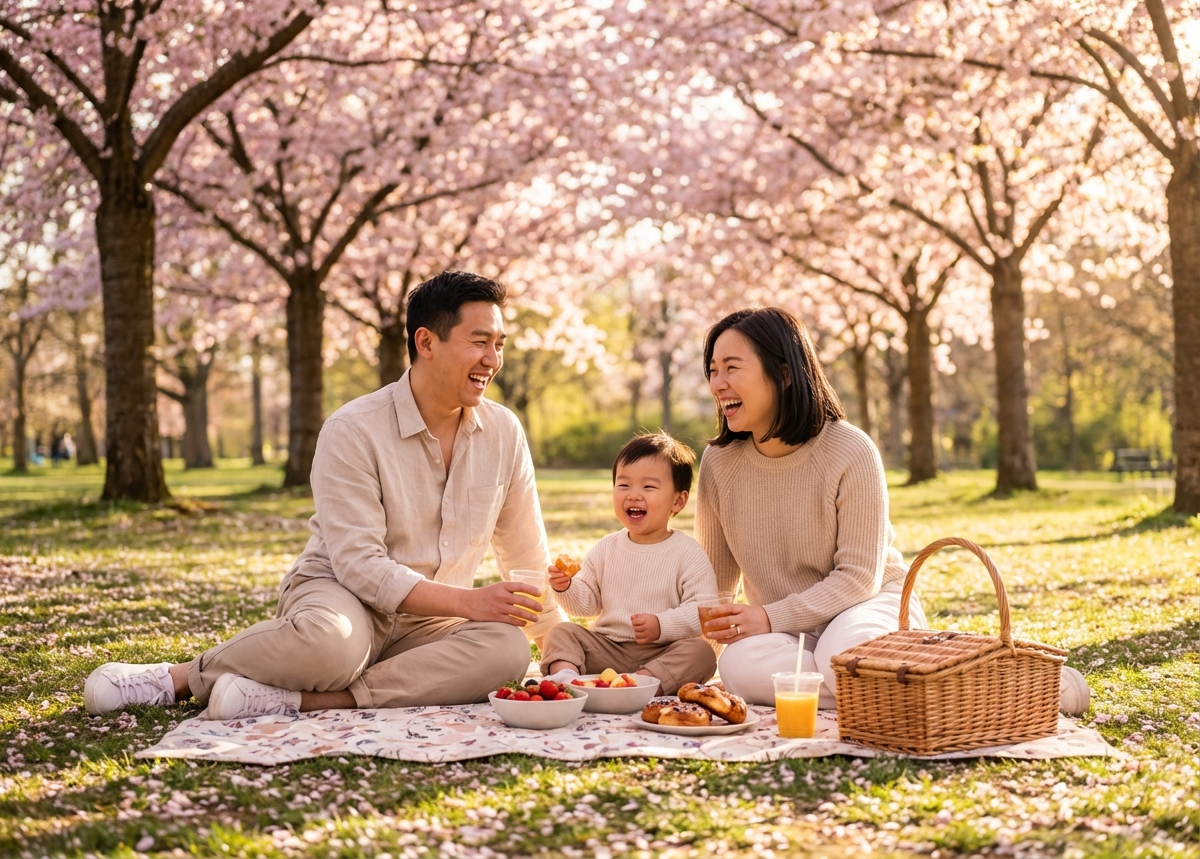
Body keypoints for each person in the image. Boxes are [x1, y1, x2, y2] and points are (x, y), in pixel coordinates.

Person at [85, 270, 559, 719]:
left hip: (431, 620)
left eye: (498, 345)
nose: (493, 360)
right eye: (480, 342)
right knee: (333, 646)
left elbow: (526, 551)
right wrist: (468, 603)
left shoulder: (504, 432)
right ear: (426, 342)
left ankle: (311, 701)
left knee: (508, 649)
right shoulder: (353, 428)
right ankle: (181, 678)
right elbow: (360, 566)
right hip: (342, 597)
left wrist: (560, 655)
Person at [694, 307, 1090, 715]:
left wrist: (769, 617)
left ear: (784, 373)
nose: (717, 384)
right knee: (738, 664)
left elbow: (858, 578)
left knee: (844, 656)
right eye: (712, 370)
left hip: (864, 608)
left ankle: (1023, 689)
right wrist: (690, 652)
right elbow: (716, 585)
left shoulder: (850, 449)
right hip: (784, 630)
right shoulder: (719, 463)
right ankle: (898, 686)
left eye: (731, 367)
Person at [540, 433, 718, 697]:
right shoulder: (606, 547)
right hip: (606, 648)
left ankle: (641, 684)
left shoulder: (687, 552)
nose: (634, 495)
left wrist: (661, 624)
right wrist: (566, 588)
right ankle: (569, 681)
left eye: (648, 487)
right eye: (623, 485)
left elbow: (702, 611)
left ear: (678, 501)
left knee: (701, 653)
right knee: (561, 632)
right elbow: (586, 605)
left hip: (661, 652)